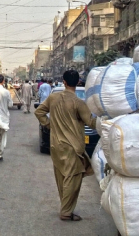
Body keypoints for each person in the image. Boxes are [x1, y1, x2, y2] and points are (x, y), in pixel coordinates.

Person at [35, 70, 97, 222]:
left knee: (62, 176)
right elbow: (92, 123)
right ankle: (66, 212)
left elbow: (39, 112)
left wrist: (50, 125)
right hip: (72, 146)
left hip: (56, 145)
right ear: (78, 82)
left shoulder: (53, 97)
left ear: (63, 81)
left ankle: (66, 206)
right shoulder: (78, 103)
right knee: (72, 178)